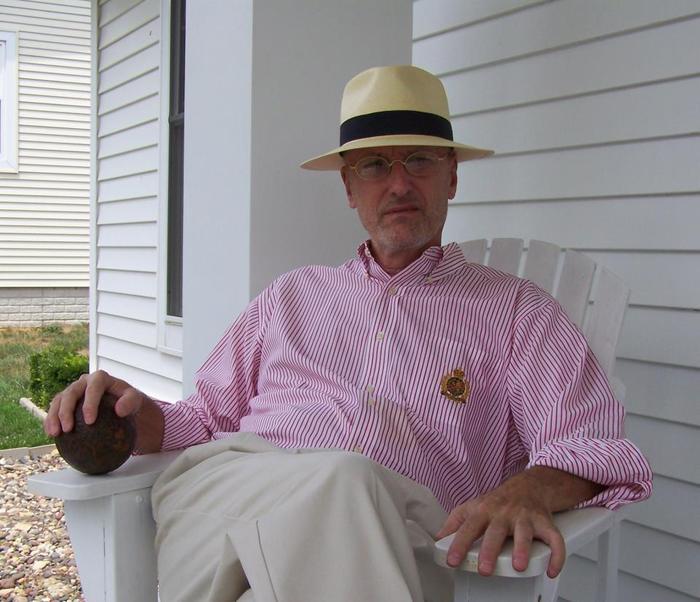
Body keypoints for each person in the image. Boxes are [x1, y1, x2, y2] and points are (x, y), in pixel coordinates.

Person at [46, 65, 652, 602]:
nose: (399, 183)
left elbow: (594, 446)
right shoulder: (290, 297)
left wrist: (529, 490)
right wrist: (130, 413)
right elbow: (203, 419)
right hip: (230, 495)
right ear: (348, 188)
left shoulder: (519, 314)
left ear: (452, 177)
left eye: (419, 160)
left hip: (394, 542)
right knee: (339, 480)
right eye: (374, 165)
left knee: (345, 482)